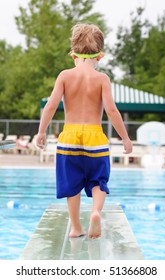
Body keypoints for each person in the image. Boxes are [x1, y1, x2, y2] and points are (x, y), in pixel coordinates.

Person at [36, 23, 132, 239]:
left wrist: (41, 131)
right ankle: (96, 212)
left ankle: (76, 227)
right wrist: (125, 137)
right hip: (94, 136)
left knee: (71, 181)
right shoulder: (102, 79)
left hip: (69, 136)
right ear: (100, 57)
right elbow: (112, 110)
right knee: (99, 179)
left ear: (72, 55)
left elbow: (51, 105)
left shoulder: (64, 76)